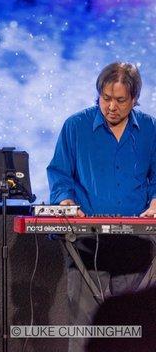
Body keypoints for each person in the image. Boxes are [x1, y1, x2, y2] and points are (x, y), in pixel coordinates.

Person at [47, 62, 156, 352]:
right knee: (83, 330)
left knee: (135, 330)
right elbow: (59, 174)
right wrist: (66, 202)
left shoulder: (150, 128)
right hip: (86, 244)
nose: (111, 106)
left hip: (136, 243)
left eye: (120, 100)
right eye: (105, 98)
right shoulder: (75, 126)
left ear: (134, 100)